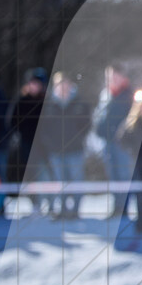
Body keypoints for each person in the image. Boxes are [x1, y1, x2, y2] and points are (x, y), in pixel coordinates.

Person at [43, 72, 92, 219]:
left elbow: (87, 125)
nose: (63, 87)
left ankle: (75, 210)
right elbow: (43, 128)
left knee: (77, 182)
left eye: (66, 84)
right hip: (55, 151)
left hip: (75, 150)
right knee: (60, 183)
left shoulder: (80, 103)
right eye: (60, 84)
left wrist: (77, 139)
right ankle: (63, 210)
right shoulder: (49, 105)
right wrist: (50, 145)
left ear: (71, 85)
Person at [92, 65, 134, 217]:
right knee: (113, 176)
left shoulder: (129, 95)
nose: (112, 79)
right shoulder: (106, 95)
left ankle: (124, 209)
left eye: (115, 76)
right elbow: (99, 117)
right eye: (109, 76)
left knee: (123, 175)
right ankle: (117, 207)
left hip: (122, 144)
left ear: (122, 77)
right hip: (107, 143)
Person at [9, 68, 50, 211]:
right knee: (31, 176)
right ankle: (35, 204)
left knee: (46, 175)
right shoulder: (21, 100)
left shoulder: (47, 100)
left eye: (37, 83)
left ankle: (49, 204)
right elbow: (12, 122)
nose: (35, 86)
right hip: (26, 145)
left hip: (45, 146)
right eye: (32, 83)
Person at [117, 91, 142, 232]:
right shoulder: (131, 123)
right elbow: (121, 140)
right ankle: (141, 222)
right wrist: (132, 150)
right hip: (137, 164)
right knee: (140, 194)